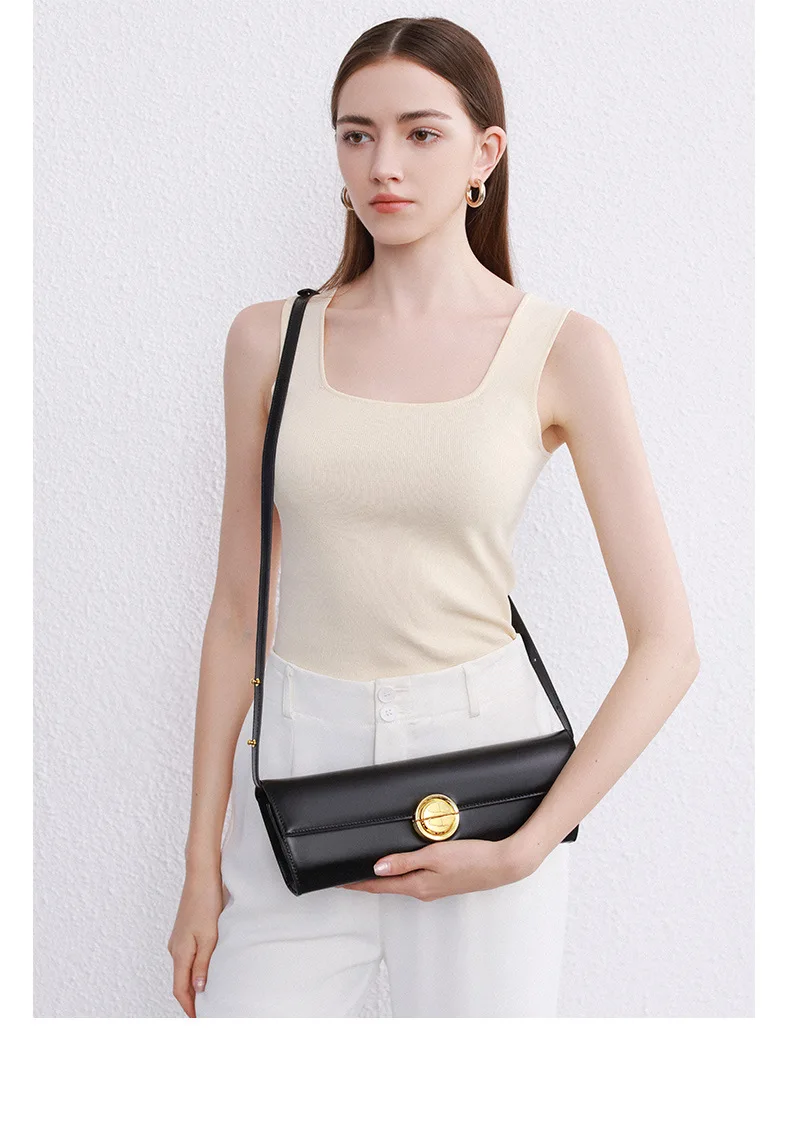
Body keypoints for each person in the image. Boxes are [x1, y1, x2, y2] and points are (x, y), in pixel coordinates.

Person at [167, 17, 700, 1018]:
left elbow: (668, 644)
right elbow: (237, 612)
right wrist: (200, 864)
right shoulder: (267, 341)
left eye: (420, 133)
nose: (384, 164)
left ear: (483, 154)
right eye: (356, 134)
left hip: (484, 786)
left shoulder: (564, 349)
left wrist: (527, 847)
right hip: (297, 778)